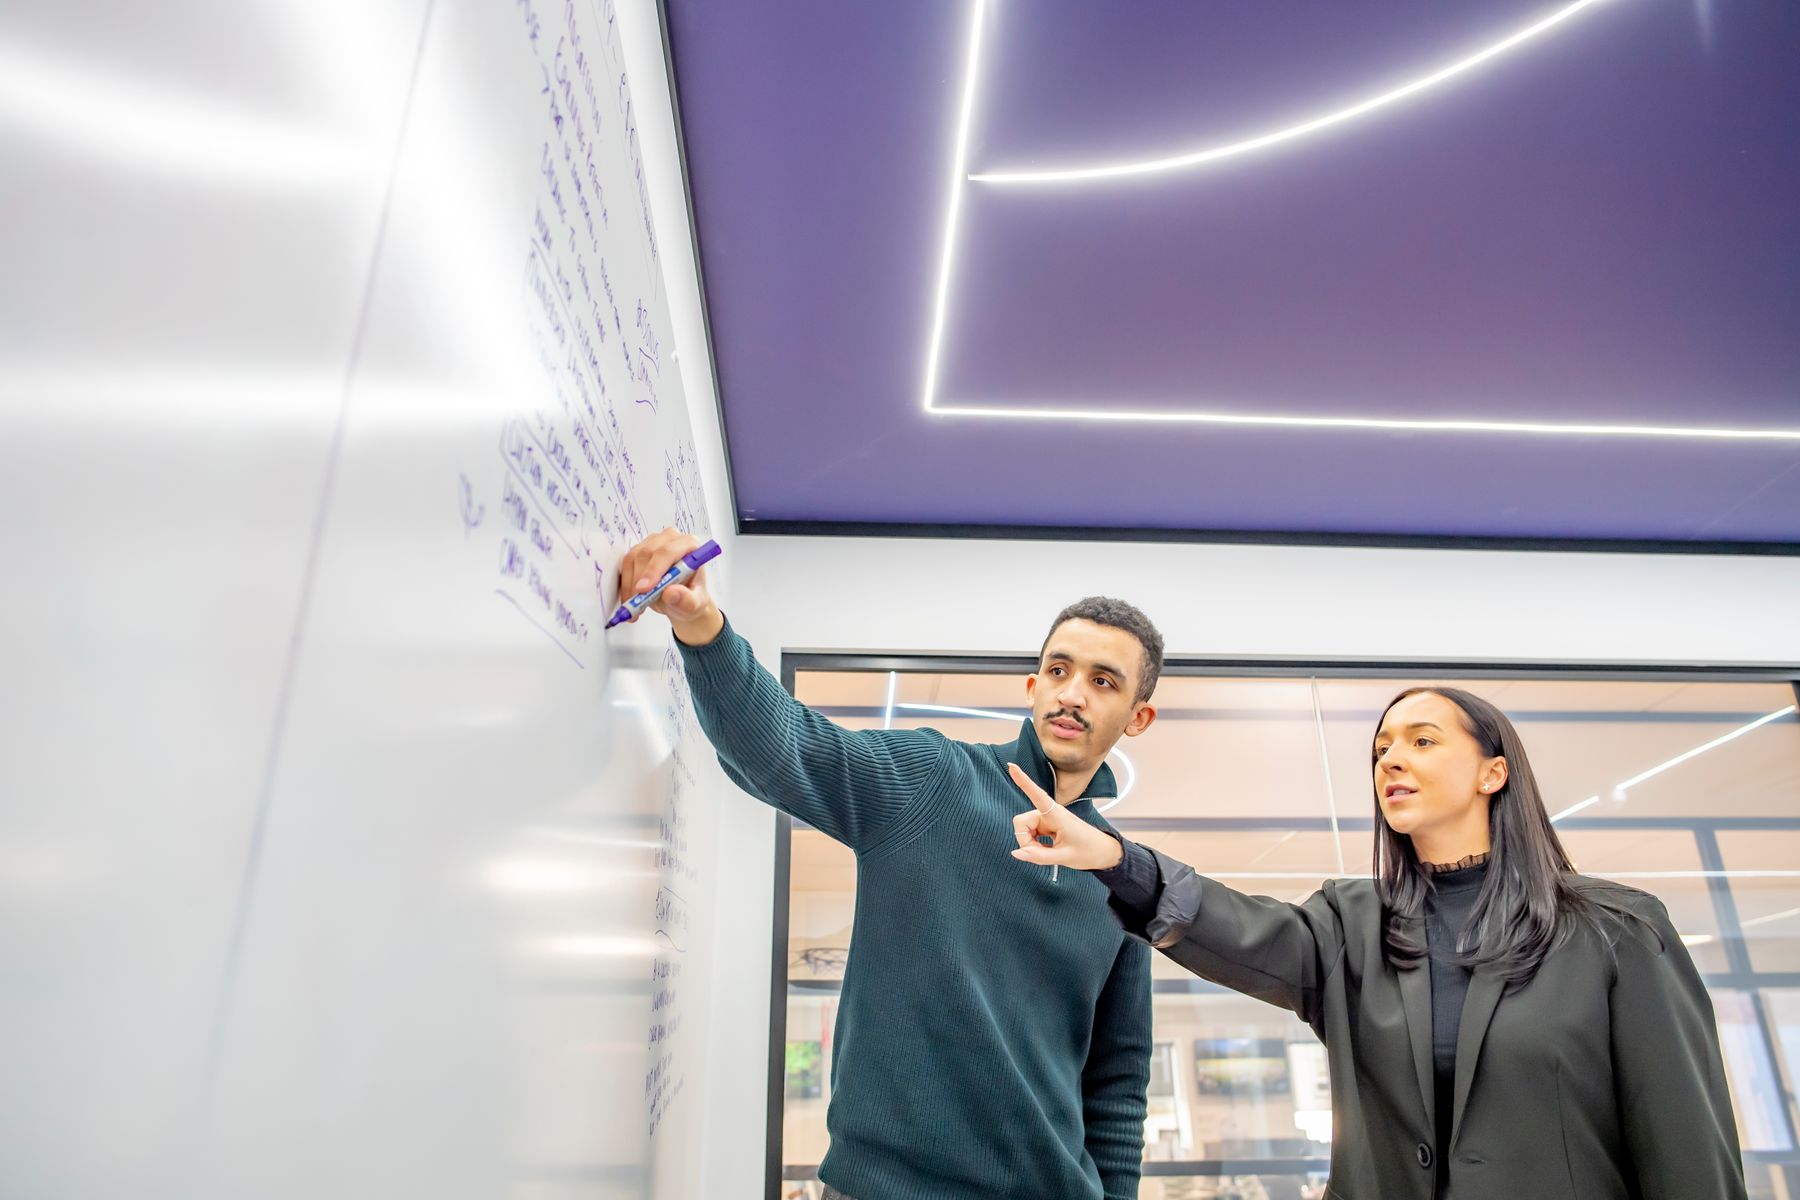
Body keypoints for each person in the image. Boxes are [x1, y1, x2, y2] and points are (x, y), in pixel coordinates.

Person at [1009, 685, 1747, 1200]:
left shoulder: (1616, 930)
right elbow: (1237, 928)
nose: (1390, 759)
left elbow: (1686, 1148)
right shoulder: (1349, 923)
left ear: (1495, 772)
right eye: (1382, 747)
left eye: (1422, 741)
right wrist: (1113, 857)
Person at [617, 529, 1160, 1200]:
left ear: (1138, 718)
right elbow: (787, 747)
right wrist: (703, 626)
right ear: (1031, 685)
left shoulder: (1124, 880)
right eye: (1058, 670)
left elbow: (1118, 1084)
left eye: (1102, 682)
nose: (1072, 694)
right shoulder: (934, 779)